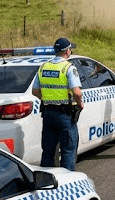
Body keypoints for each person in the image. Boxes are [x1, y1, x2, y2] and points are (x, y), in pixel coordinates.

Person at [31, 38, 84, 171]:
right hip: (64, 114)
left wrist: (47, 99)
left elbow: (35, 91)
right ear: (67, 51)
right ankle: (68, 181)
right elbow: (77, 93)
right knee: (68, 150)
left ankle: (46, 182)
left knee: (48, 151)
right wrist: (80, 105)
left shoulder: (43, 67)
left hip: (48, 113)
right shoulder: (68, 68)